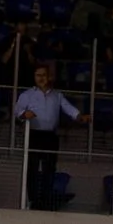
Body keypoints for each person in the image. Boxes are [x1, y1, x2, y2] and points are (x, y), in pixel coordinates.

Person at [14, 63, 81, 211]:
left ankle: (45, 199)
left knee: (49, 169)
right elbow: (17, 111)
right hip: (34, 135)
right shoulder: (27, 95)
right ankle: (33, 199)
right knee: (31, 168)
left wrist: (79, 116)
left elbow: (68, 108)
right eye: (38, 75)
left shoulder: (57, 95)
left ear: (48, 76)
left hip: (50, 136)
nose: (41, 78)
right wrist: (25, 115)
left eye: (43, 75)